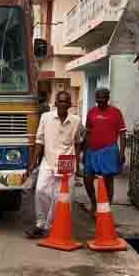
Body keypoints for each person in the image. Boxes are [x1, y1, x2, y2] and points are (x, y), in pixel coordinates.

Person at [25, 91, 84, 239]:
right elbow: (39, 141)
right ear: (55, 103)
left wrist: (77, 164)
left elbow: (77, 143)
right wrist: (32, 164)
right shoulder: (46, 117)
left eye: (66, 101)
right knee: (40, 190)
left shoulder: (76, 120)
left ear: (70, 104)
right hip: (48, 160)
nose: (63, 104)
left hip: (67, 161)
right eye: (60, 101)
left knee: (60, 197)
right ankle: (40, 223)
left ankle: (50, 227)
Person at [83, 87, 126, 214]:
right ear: (95, 98)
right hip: (92, 151)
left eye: (103, 97)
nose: (100, 100)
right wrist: (85, 153)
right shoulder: (91, 112)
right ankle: (93, 203)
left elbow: (123, 134)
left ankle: (106, 208)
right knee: (87, 179)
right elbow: (88, 133)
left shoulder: (116, 112)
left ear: (108, 98)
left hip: (109, 151)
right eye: (98, 97)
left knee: (108, 180)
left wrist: (122, 153)